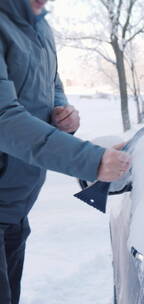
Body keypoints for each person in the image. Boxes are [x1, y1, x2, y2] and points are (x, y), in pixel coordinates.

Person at [0, 0, 131, 302]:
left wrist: (63, 114)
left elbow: (51, 85)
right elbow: (4, 119)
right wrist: (91, 160)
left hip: (15, 208)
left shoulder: (40, 27)